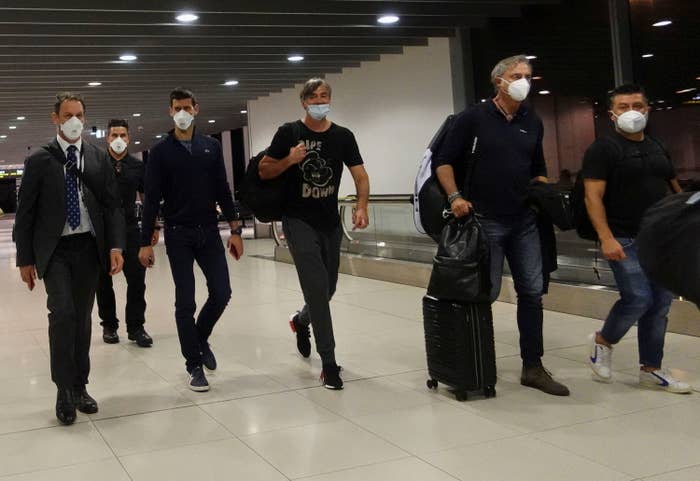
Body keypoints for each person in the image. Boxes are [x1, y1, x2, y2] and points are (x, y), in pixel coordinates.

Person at [433, 55, 570, 396]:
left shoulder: (531, 120)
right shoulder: (473, 118)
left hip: (525, 220)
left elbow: (537, 167)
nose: (524, 80)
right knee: (484, 293)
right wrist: (455, 198)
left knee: (532, 293)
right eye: (516, 75)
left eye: (528, 75)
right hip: (483, 221)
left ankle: (533, 367)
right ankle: (476, 364)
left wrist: (545, 195)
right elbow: (444, 163)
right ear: (499, 81)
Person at [14, 92, 125, 424]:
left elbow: (112, 206)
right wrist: (25, 260)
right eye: (67, 114)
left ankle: (80, 386)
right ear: (55, 118)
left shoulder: (96, 158)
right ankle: (63, 389)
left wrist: (116, 246)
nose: (74, 120)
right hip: (56, 251)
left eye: (79, 114)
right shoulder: (40, 161)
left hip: (89, 249)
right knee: (62, 314)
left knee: (83, 318)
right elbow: (26, 214)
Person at [259, 78, 370, 390]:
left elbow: (360, 176)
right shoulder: (289, 132)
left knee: (328, 288)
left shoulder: (343, 136)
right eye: (314, 97)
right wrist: (289, 160)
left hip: (330, 222)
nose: (320, 101)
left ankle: (301, 321)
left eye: (325, 96)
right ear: (304, 102)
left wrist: (362, 206)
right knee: (318, 289)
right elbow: (265, 170)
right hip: (298, 221)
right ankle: (329, 362)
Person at [583, 84, 691, 393]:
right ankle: (603, 341)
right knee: (638, 298)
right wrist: (605, 238)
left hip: (661, 237)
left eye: (638, 106)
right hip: (623, 236)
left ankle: (651, 368)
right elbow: (593, 197)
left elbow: (674, 188)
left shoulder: (657, 145)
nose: (632, 112)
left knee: (660, 304)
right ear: (611, 114)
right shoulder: (603, 149)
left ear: (648, 109)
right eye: (624, 106)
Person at [138, 87, 243, 392]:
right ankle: (193, 364)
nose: (182, 112)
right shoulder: (160, 152)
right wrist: (146, 240)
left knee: (222, 292)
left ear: (196, 109)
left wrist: (235, 231)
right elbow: (151, 198)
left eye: (187, 106)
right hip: (178, 234)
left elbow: (223, 189)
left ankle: (199, 337)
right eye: (176, 108)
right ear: (170, 111)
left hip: (209, 231)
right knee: (185, 301)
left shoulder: (210, 146)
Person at [96, 119, 156, 347]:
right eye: (114, 135)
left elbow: (147, 197)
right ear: (107, 138)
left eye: (123, 135)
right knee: (103, 282)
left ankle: (136, 327)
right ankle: (109, 325)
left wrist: (152, 228)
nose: (118, 140)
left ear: (129, 138)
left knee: (137, 281)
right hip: (103, 231)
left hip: (131, 228)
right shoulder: (98, 164)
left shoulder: (138, 166)